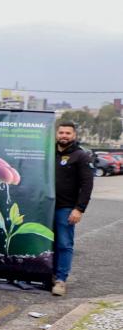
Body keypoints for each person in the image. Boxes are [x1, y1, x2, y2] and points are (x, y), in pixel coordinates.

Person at [52, 122, 94, 296]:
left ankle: (61, 280)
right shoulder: (49, 153)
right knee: (48, 242)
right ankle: (50, 274)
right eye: (61, 132)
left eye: (68, 133)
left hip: (66, 208)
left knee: (64, 244)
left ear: (74, 135)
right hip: (45, 207)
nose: (64, 135)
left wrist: (79, 209)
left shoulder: (81, 156)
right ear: (56, 134)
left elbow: (87, 185)